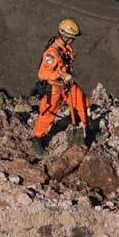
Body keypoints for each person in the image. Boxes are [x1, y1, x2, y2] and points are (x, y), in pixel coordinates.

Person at [30, 18, 88, 155]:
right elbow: (43, 73)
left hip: (67, 85)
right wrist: (61, 74)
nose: (73, 40)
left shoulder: (65, 49)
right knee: (48, 114)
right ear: (67, 37)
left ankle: (88, 130)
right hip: (55, 88)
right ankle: (37, 139)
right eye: (73, 38)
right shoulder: (52, 53)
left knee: (83, 102)